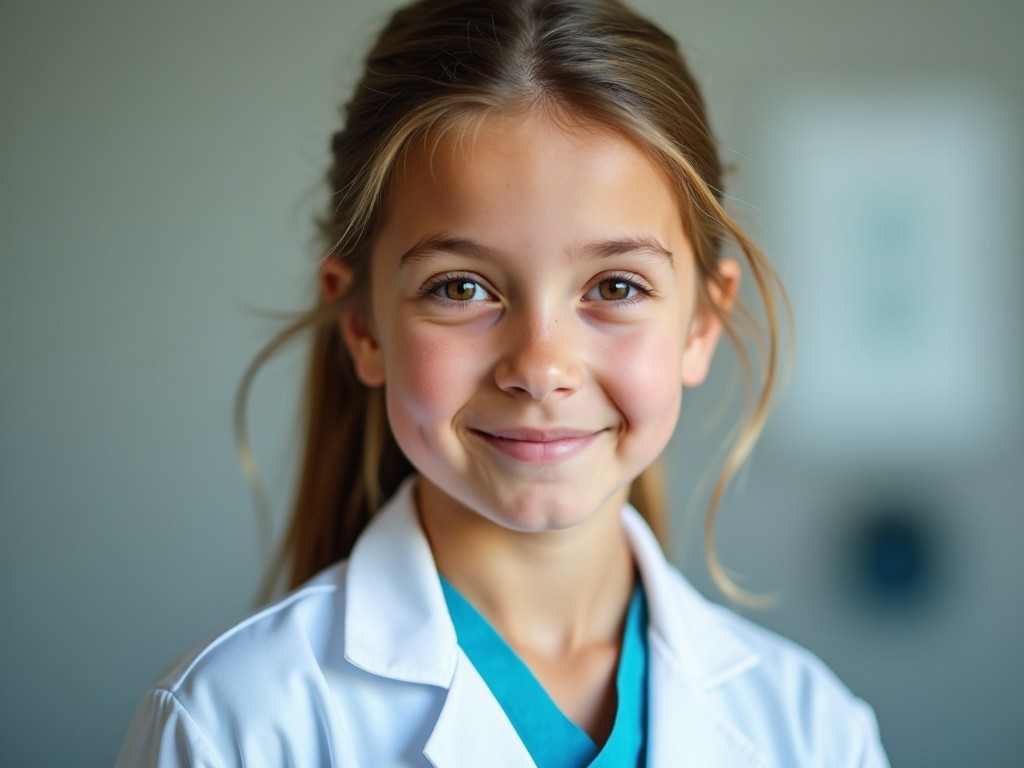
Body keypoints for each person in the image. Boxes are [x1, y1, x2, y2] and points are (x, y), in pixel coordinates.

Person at [117, 0, 890, 765]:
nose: (542, 367)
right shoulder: (231, 725)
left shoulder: (815, 730)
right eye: (461, 288)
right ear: (364, 327)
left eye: (616, 288)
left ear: (700, 324)